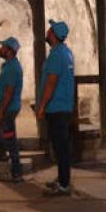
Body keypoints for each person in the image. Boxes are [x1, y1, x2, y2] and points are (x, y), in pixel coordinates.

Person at [36, 19, 75, 197]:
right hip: (63, 106)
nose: (47, 31)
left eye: (49, 29)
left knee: (61, 147)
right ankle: (62, 179)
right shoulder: (66, 52)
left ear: (53, 35)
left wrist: (42, 106)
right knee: (61, 146)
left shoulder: (56, 55)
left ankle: (64, 184)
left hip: (57, 107)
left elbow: (51, 83)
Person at [0, 36, 24, 183]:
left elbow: (9, 92)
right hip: (7, 107)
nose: (0, 49)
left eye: (3, 47)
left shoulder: (12, 68)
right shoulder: (9, 65)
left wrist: (1, 111)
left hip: (8, 108)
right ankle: (2, 153)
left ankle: (16, 173)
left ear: (9, 51)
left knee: (10, 138)